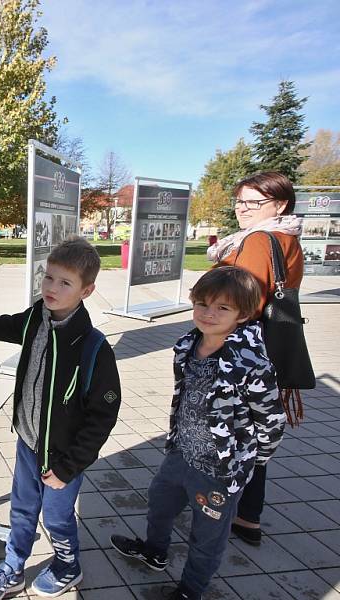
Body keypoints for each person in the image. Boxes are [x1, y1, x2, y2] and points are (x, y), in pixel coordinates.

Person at [0, 238, 121, 599]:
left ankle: (69, 566)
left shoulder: (94, 347)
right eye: (48, 277)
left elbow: (102, 416)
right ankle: (13, 567)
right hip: (28, 441)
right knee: (21, 511)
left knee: (56, 517)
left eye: (64, 283)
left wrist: (70, 466)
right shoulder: (36, 319)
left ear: (87, 290)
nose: (51, 288)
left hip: (64, 456)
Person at [110, 267, 285, 600]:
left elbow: (271, 419)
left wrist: (251, 461)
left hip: (219, 471)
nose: (209, 313)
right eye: (202, 303)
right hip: (181, 454)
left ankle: (191, 589)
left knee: (207, 536)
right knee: (160, 506)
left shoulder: (251, 362)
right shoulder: (187, 344)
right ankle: (155, 551)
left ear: (243, 314)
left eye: (222, 308)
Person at [207, 171, 303, 546]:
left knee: (229, 431)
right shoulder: (287, 237)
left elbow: (234, 300)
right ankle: (249, 517)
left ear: (279, 205)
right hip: (267, 352)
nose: (243, 209)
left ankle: (219, 508)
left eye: (254, 202)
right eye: (240, 201)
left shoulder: (259, 241)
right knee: (252, 431)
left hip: (237, 353)